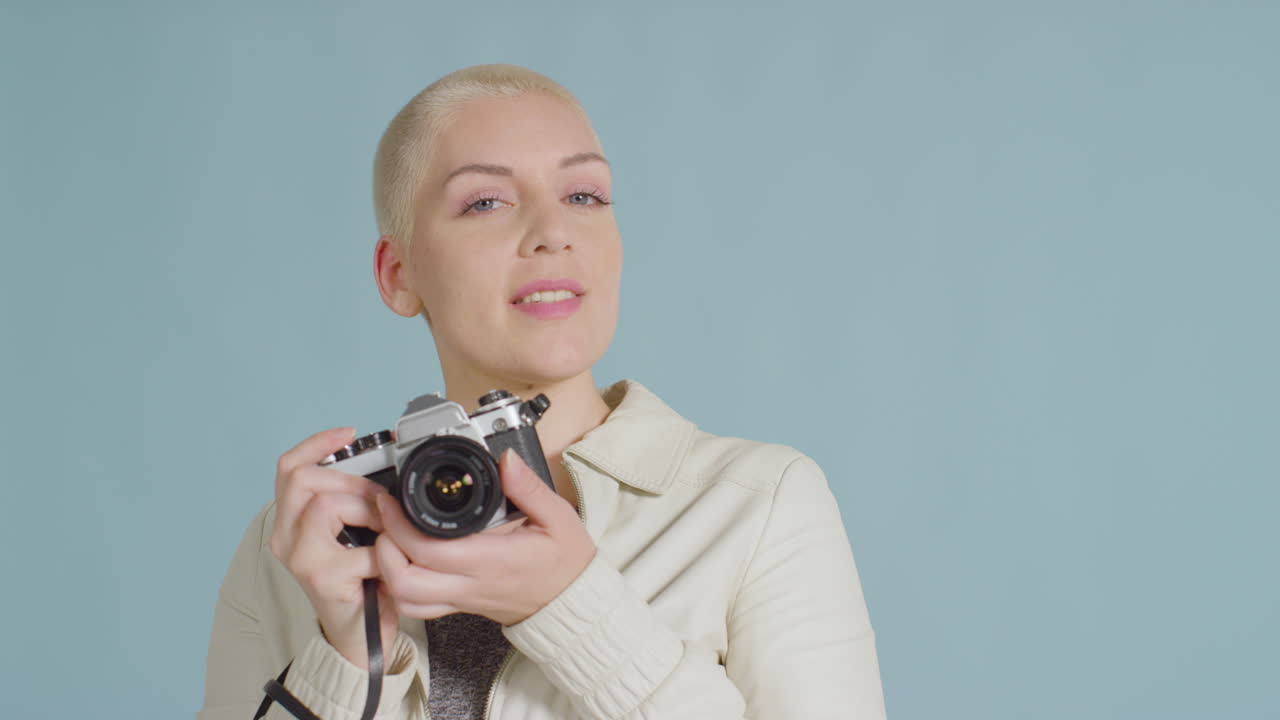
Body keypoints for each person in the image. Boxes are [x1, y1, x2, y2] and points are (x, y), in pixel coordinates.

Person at [199, 63, 886, 720]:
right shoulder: (300, 544)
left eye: (583, 196)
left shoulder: (759, 505)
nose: (554, 233)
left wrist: (570, 605)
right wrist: (347, 663)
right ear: (398, 274)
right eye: (486, 202)